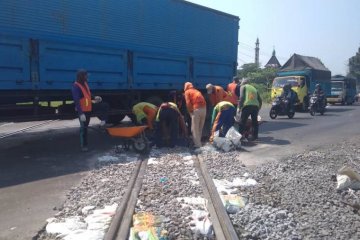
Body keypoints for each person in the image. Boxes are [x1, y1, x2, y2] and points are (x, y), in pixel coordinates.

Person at [71, 69, 109, 152]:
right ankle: (84, 146)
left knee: (104, 105)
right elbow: (76, 100)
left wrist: (95, 97)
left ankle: (103, 120)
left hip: (90, 107)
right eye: (86, 75)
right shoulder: (76, 86)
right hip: (84, 111)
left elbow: (88, 95)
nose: (87, 77)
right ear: (81, 77)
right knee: (84, 129)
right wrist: (81, 114)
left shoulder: (84, 84)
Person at [184, 82, 207, 148]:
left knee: (194, 129)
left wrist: (190, 112)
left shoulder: (187, 92)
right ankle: (198, 143)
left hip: (197, 109)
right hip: (204, 109)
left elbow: (188, 103)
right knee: (200, 128)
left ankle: (197, 146)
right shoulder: (196, 90)